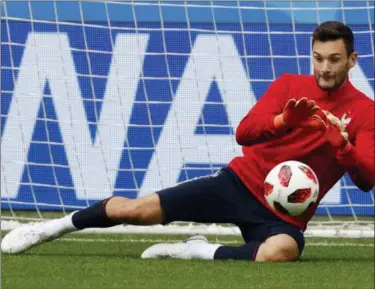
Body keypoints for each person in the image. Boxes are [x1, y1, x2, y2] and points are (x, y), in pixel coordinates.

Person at [2, 21, 374, 262]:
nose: (324, 68)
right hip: (239, 183)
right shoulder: (289, 86)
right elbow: (244, 133)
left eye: (334, 60)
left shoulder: (364, 111)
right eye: (318, 58)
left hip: (283, 213)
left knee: (281, 252)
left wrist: (342, 147)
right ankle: (52, 227)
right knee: (136, 211)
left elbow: (367, 179)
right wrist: (281, 121)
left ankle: (196, 250)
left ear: (352, 60)